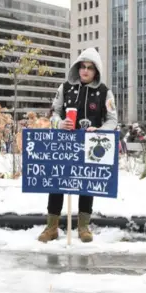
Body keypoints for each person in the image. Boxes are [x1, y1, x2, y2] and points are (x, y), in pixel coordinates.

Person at [37, 47, 118, 243]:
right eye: (83, 66)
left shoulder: (105, 93)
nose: (85, 71)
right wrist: (59, 123)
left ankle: (83, 226)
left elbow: (112, 120)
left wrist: (98, 131)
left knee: (86, 184)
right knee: (57, 182)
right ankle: (52, 227)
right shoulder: (64, 88)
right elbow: (54, 112)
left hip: (90, 146)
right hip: (64, 144)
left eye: (90, 68)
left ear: (96, 71)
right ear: (78, 67)